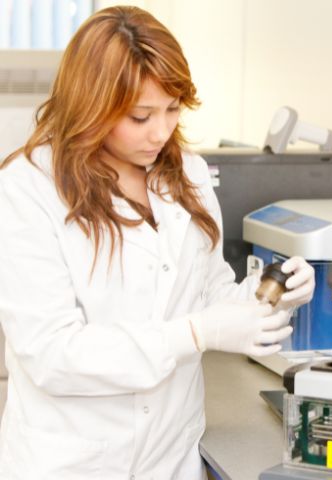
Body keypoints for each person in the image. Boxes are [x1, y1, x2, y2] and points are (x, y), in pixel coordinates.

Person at [0, 6, 314, 480]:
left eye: (172, 110)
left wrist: (271, 294)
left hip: (170, 456)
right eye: (140, 115)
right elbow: (52, 354)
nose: (161, 132)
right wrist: (193, 334)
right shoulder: (28, 189)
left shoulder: (185, 171)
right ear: (90, 105)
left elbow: (208, 292)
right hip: (71, 463)